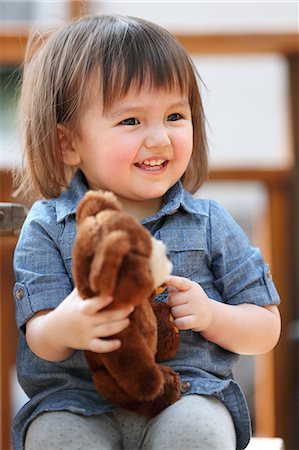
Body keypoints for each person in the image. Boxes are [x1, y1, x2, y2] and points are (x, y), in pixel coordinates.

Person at [13, 13, 281, 450]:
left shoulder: (210, 222)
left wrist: (214, 316)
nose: (159, 138)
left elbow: (266, 327)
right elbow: (42, 339)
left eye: (175, 115)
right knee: (54, 439)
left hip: (188, 395)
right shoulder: (47, 226)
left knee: (198, 435)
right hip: (76, 402)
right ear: (68, 143)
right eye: (131, 121)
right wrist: (68, 325)